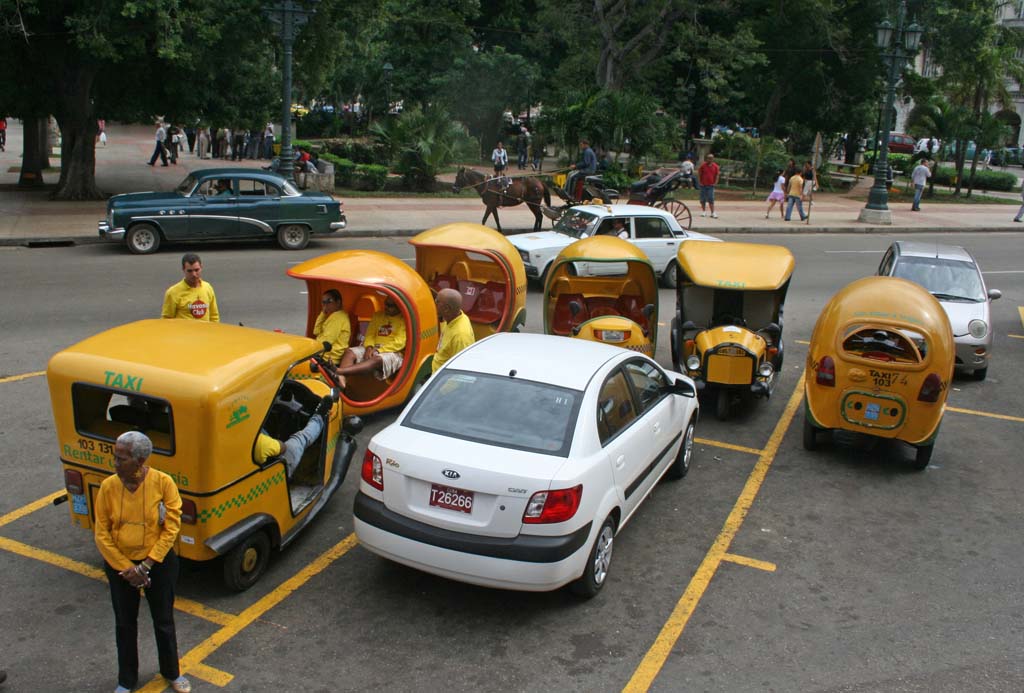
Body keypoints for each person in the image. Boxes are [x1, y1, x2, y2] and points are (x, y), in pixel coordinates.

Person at [94, 431, 191, 693]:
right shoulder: (108, 487)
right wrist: (127, 568)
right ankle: (126, 680)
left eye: (121, 458)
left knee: (163, 620)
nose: (115, 463)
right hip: (121, 568)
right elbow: (101, 532)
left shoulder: (163, 483)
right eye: (114, 457)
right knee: (124, 623)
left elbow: (172, 528)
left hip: (158, 563)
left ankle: (172, 672)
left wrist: (146, 565)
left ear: (140, 461)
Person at [333, 297, 407, 389]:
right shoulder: (378, 316)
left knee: (377, 359)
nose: (386, 307)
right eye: (386, 304)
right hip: (373, 347)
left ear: (399, 307)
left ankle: (340, 371)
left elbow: (399, 343)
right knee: (350, 352)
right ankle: (342, 383)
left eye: (390, 305)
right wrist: (369, 348)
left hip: (393, 352)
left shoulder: (404, 319)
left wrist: (379, 351)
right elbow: (370, 334)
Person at [254, 394, 333, 475]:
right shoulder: (258, 443)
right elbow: (282, 447)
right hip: (272, 477)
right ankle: (319, 417)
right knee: (299, 440)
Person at [161, 252, 220, 322]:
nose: (194, 274)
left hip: (205, 332)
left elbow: (214, 316)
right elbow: (167, 319)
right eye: (189, 271)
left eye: (196, 270)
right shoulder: (173, 292)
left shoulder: (208, 288)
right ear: (183, 269)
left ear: (201, 267)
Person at [431, 288, 476, 372]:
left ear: (447, 309)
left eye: (437, 302)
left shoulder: (460, 336)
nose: (434, 303)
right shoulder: (452, 317)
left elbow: (461, 369)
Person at [314, 289, 351, 365]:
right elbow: (316, 331)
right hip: (324, 354)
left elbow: (327, 342)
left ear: (338, 302)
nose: (325, 305)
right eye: (323, 302)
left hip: (327, 358)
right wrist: (323, 313)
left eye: (329, 301)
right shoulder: (334, 316)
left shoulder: (338, 318)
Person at [696, 153, 720, 218]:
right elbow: (699, 173)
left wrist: (715, 182)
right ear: (706, 159)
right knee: (702, 199)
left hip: (711, 185)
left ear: (713, 159)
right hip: (703, 185)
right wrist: (699, 182)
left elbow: (717, 175)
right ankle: (704, 211)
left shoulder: (715, 166)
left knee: (711, 198)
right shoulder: (703, 166)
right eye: (708, 158)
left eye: (711, 158)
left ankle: (712, 212)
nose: (710, 159)